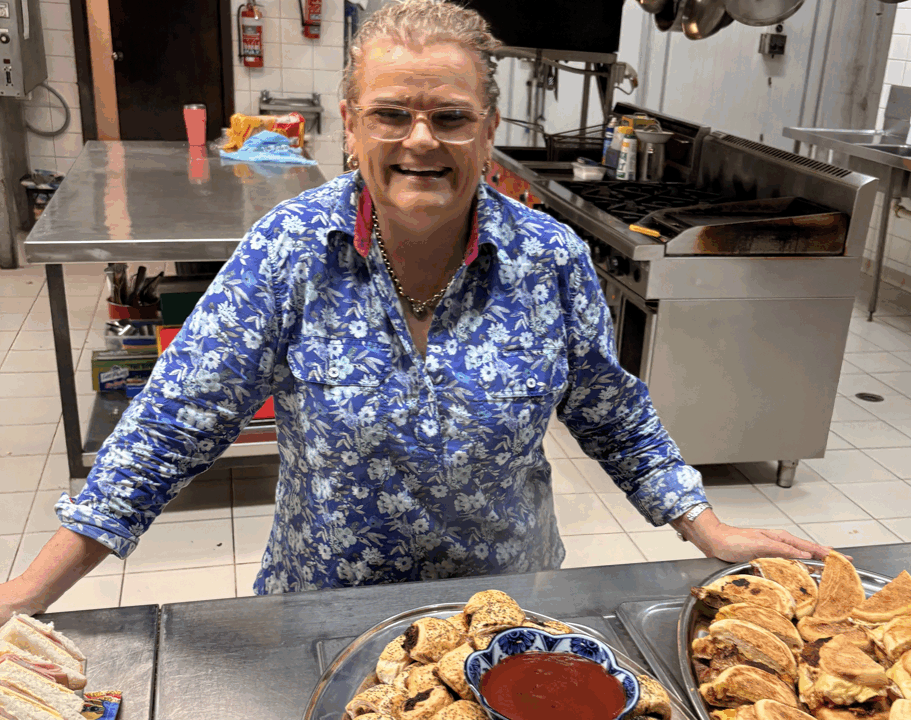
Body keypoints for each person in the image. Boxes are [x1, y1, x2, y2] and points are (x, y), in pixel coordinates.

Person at [0, 0, 828, 621]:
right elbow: (169, 428)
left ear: (488, 129)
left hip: (504, 609)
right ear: (351, 126)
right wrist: (28, 594)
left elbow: (614, 415)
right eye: (391, 115)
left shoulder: (547, 260)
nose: (421, 140)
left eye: (450, 117)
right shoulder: (290, 252)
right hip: (326, 611)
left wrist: (705, 527)